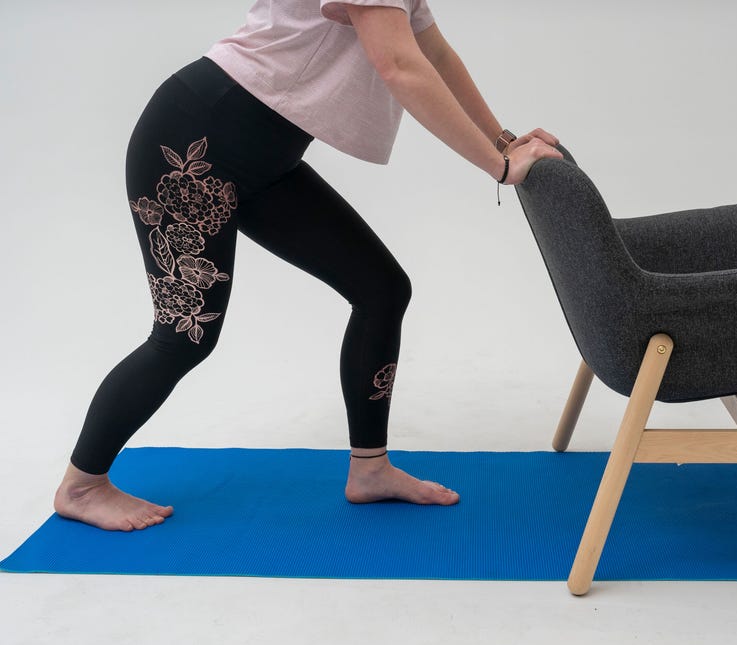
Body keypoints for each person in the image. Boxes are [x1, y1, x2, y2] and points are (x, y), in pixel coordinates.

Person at [52, 0, 563, 531]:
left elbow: (432, 51)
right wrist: (499, 165)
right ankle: (82, 486)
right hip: (192, 144)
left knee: (381, 289)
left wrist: (504, 141)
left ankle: (370, 469)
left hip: (263, 160)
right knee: (185, 335)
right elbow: (399, 65)